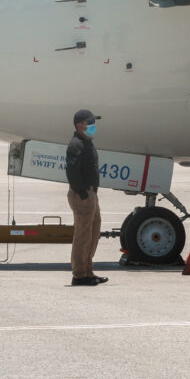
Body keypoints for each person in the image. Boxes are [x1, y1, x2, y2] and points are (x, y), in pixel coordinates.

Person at [65, 109, 105, 286]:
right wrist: (82, 193)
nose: (93, 126)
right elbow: (72, 172)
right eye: (90, 122)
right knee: (82, 235)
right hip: (82, 195)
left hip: (90, 194)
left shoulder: (87, 142)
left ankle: (88, 271)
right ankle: (79, 275)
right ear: (80, 125)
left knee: (92, 234)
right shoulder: (76, 144)